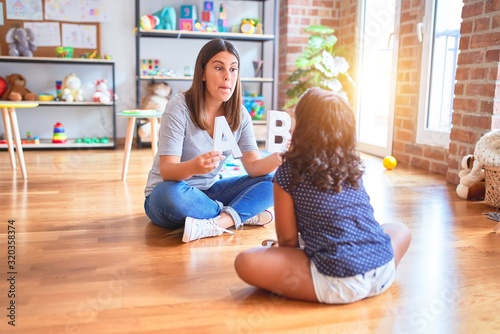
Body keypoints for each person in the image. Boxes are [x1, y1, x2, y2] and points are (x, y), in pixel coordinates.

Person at [234, 87, 411, 304]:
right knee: (400, 229)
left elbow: (288, 242)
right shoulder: (352, 164)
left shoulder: (289, 171)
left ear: (303, 128)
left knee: (245, 261)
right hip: (383, 269)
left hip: (339, 281)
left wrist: (284, 255)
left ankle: (340, 278)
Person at [144, 39, 282, 243]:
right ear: (202, 73)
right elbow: (167, 171)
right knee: (169, 194)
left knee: (275, 181)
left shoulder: (240, 115)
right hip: (170, 194)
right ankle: (242, 214)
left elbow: (253, 167)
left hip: (209, 193)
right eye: (219, 68)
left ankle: (220, 222)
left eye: (233, 69)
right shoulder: (179, 106)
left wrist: (281, 158)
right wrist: (194, 166)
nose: (228, 76)